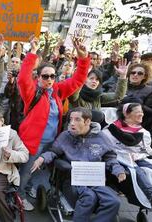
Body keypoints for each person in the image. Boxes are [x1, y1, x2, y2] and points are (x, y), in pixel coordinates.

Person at [16, 36, 90, 210]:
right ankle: (19, 196)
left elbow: (78, 80)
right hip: (33, 142)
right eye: (45, 76)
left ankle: (27, 188)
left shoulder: (57, 90)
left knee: (38, 169)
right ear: (38, 76)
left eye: (52, 76)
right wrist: (32, 54)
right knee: (27, 170)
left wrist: (83, 59)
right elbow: (22, 79)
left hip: (51, 141)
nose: (49, 79)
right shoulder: (32, 92)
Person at [31, 107, 126, 221]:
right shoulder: (66, 136)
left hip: (95, 178)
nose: (71, 123)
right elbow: (53, 152)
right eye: (70, 119)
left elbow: (110, 157)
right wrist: (42, 158)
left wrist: (118, 170)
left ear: (87, 122)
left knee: (114, 201)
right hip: (72, 178)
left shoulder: (100, 137)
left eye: (77, 119)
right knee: (88, 197)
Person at [102, 102, 152, 207]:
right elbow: (107, 150)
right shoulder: (110, 130)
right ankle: (151, 197)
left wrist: (138, 155)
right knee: (139, 172)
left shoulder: (144, 132)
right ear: (126, 114)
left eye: (142, 112)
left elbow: (147, 151)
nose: (142, 114)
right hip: (120, 160)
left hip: (138, 159)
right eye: (138, 112)